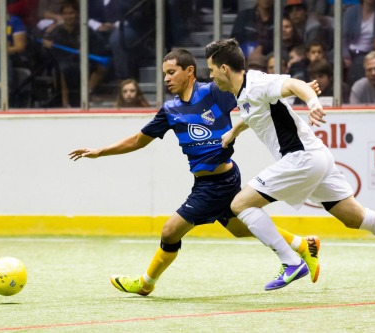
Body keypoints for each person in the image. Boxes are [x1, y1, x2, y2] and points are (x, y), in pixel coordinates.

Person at [69, 48, 322, 296]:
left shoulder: (215, 92)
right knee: (240, 227)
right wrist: (100, 151)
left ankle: (146, 283)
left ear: (189, 71)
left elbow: (257, 95)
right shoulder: (170, 110)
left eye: (171, 72)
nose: (166, 78)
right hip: (212, 181)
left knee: (169, 231)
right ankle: (303, 244)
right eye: (164, 74)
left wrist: (296, 90)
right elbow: (138, 140)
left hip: (217, 183)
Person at [205, 38, 375, 291]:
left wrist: (313, 102)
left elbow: (294, 84)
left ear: (224, 68)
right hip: (316, 157)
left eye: (211, 70)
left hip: (301, 158)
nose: (210, 77)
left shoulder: (257, 83)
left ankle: (291, 261)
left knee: (240, 204)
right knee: (355, 217)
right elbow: (252, 113)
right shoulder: (244, 92)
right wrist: (234, 132)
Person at [342, 0, 375, 86]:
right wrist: (346, 56)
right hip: (350, 51)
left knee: (361, 63)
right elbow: (343, 37)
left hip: (370, 52)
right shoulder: (351, 12)